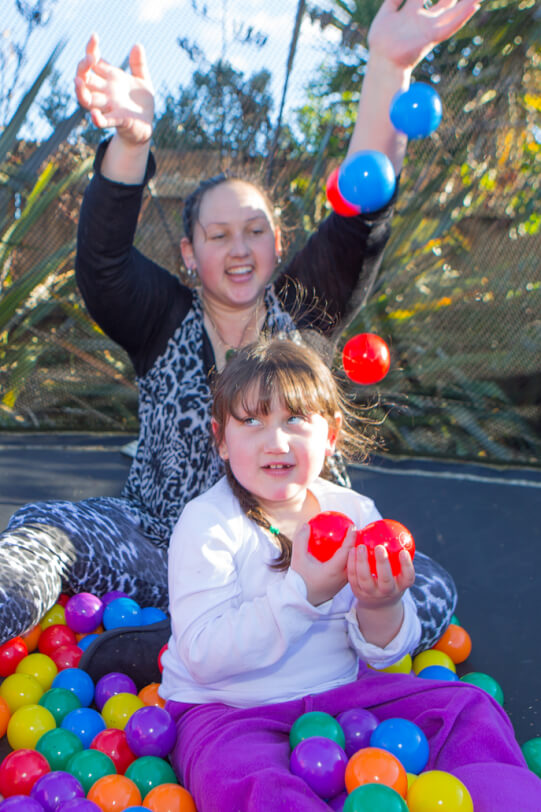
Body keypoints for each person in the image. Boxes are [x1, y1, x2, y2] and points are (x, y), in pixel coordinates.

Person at [0, 0, 480, 666]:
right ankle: (209, 638)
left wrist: (387, 64)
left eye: (254, 230)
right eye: (218, 234)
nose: (238, 248)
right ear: (190, 255)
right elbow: (102, 261)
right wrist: (132, 142)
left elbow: (361, 210)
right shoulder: (160, 317)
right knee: (40, 530)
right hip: (161, 548)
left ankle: (199, 646)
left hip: (296, 557)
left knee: (422, 584)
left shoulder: (304, 311)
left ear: (277, 243)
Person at [160, 337, 541, 812]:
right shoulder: (207, 522)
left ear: (332, 434)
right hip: (231, 710)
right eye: (252, 420)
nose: (275, 440)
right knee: (245, 779)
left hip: (343, 696)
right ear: (220, 438)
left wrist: (381, 605)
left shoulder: (354, 511)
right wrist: (303, 593)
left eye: (295, 419)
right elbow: (201, 656)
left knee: (470, 708)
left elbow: (383, 655)